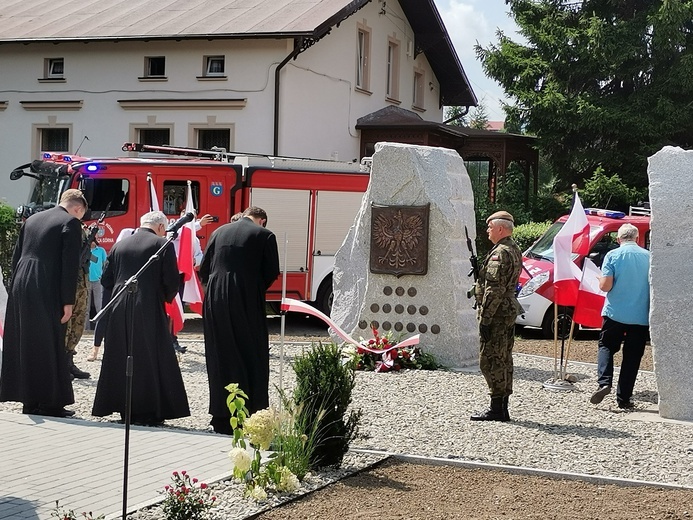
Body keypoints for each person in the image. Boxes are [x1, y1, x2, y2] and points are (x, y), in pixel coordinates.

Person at [92, 211, 190, 425]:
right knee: (149, 356)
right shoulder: (161, 244)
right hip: (147, 304)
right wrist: (164, 297)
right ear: (162, 227)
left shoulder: (120, 245)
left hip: (119, 306)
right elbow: (171, 281)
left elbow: (107, 279)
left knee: (119, 354)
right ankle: (148, 410)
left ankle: (122, 408)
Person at [0, 189, 87, 417]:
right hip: (45, 283)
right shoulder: (70, 222)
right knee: (50, 341)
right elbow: (70, 265)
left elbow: (16, 256)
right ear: (77, 209)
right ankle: (50, 402)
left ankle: (29, 401)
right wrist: (68, 301)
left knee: (26, 341)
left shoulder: (33, 219)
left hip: (22, 281)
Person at [200, 206, 280, 433]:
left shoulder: (218, 232)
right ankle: (251, 412)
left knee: (219, 353)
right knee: (251, 351)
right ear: (261, 220)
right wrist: (252, 288)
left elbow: (204, 268)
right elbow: (271, 271)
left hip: (215, 296)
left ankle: (221, 415)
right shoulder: (265, 235)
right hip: (245, 296)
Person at [590, 223, 650, 409]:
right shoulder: (649, 257)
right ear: (637, 238)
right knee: (632, 357)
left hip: (615, 313)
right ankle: (624, 399)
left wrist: (600, 279)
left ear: (618, 239)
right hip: (640, 315)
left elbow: (605, 286)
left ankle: (604, 382)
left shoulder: (613, 255)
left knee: (606, 346)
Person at [470, 211, 523, 422]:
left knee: (490, 359)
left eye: (490, 227)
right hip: (506, 310)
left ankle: (497, 408)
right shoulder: (513, 248)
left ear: (500, 229)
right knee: (504, 357)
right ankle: (501, 406)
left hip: (498, 313)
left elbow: (494, 290)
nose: (487, 231)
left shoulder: (499, 253)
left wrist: (485, 319)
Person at [86, 238, 107, 330]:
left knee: (99, 306)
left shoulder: (101, 250)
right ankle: (85, 329)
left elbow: (105, 264)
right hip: (86, 281)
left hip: (98, 281)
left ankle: (100, 329)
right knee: (86, 308)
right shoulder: (84, 250)